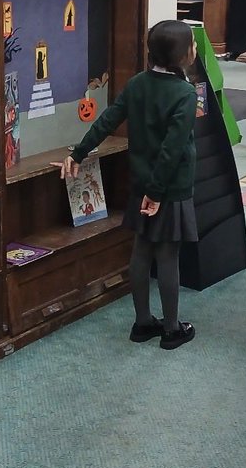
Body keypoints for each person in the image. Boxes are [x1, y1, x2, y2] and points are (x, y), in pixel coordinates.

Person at [60, 19, 197, 351]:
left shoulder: (137, 83)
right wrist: (157, 192)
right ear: (183, 55)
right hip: (167, 189)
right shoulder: (185, 93)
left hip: (141, 184)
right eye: (192, 44)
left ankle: (141, 322)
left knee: (141, 251)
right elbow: (172, 149)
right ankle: (171, 328)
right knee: (167, 257)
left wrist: (78, 153)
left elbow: (106, 120)